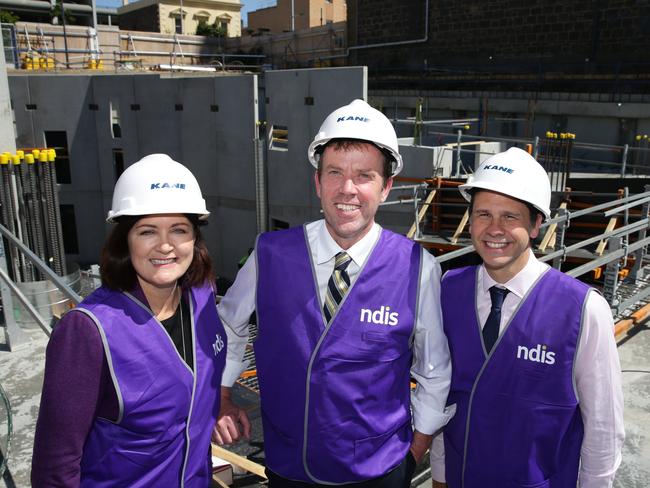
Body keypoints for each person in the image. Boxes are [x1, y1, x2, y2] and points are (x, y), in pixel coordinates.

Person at [216, 99, 452, 487]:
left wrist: (415, 451)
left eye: (364, 175)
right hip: (289, 468)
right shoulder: (269, 254)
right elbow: (228, 326)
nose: (347, 189)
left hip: (379, 472)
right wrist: (222, 395)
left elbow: (434, 370)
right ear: (317, 181)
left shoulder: (417, 267)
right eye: (335, 172)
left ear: (387, 186)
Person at [430, 147, 625, 487]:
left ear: (536, 225)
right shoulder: (448, 290)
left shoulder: (582, 309)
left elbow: (603, 426)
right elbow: (444, 395)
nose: (494, 229)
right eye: (483, 214)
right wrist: (440, 475)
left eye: (510, 216)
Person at [31, 154, 228, 487]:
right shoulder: (89, 331)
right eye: (147, 231)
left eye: (179, 229)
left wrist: (217, 406)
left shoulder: (202, 295)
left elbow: (195, 384)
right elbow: (55, 465)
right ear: (125, 240)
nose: (165, 245)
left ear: (195, 238)